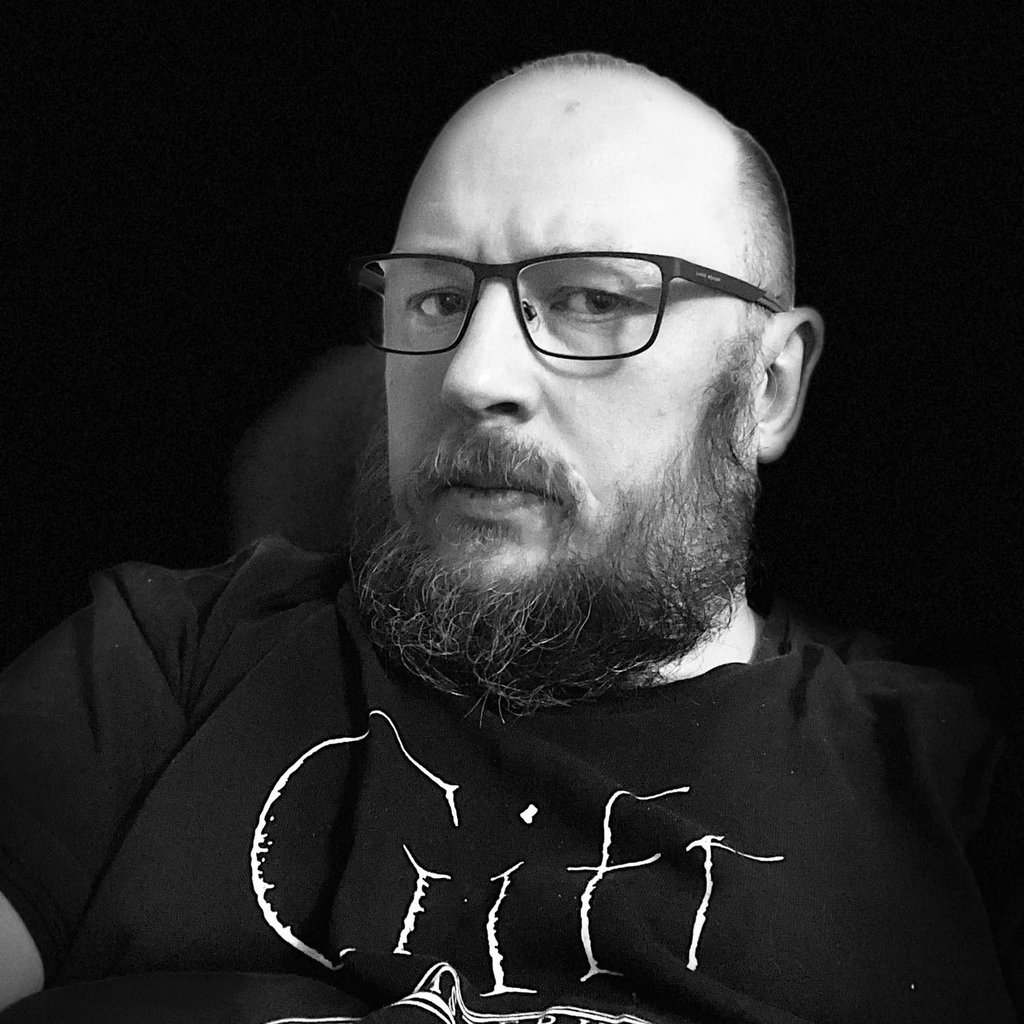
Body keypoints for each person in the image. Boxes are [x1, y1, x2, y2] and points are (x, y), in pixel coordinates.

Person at [0, 51, 1018, 1024]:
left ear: (768, 387)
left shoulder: (949, 792)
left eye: (593, 300)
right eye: (437, 298)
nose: (472, 375)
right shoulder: (162, 668)